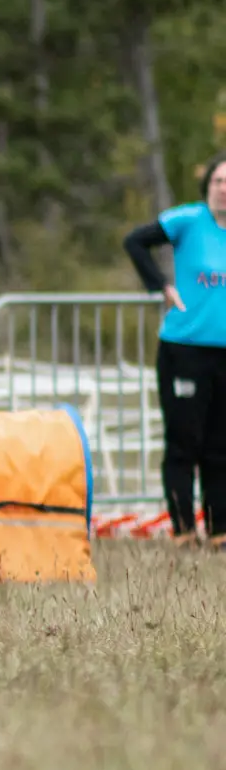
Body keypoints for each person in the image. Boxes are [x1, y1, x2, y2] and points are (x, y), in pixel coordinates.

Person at [124, 152, 226, 546]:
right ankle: (184, 529)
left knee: (220, 445)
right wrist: (160, 285)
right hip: (184, 349)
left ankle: (219, 530)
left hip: (224, 354)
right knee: (185, 441)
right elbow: (134, 242)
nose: (224, 189)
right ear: (208, 187)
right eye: (218, 181)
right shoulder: (188, 220)